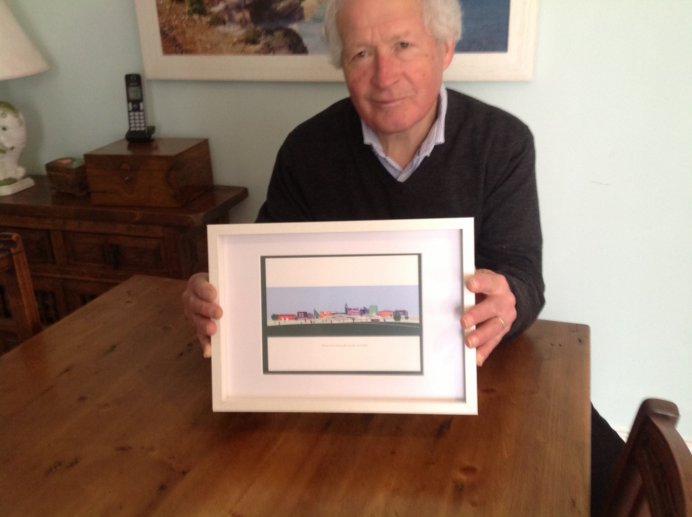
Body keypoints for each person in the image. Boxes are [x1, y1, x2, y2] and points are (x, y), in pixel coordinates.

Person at [182, 0, 622, 514]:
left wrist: (510, 302)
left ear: (445, 49)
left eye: (403, 45)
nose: (384, 76)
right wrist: (218, 298)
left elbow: (524, 276)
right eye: (361, 53)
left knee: (592, 482)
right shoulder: (306, 150)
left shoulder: (502, 143)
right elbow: (262, 280)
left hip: (475, 382)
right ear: (342, 65)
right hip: (345, 400)